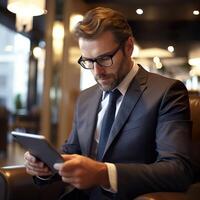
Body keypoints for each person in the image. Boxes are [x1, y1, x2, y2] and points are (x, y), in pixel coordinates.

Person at [24, 7, 193, 200]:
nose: (97, 71)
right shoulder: (85, 98)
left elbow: (178, 171)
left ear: (128, 47)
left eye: (104, 58)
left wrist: (104, 174)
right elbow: (71, 153)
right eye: (88, 61)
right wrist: (44, 166)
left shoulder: (167, 92)